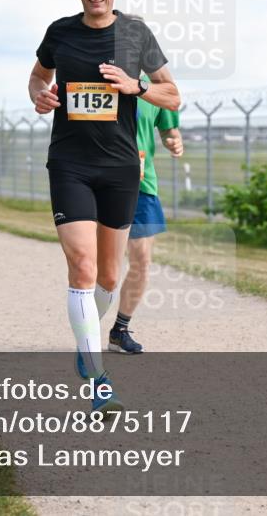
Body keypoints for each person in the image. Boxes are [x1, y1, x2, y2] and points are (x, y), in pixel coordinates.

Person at [28, 0, 180, 413]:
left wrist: (135, 88)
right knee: (82, 265)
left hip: (119, 168)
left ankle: (86, 338)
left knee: (110, 276)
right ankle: (97, 377)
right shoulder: (60, 32)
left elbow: (172, 93)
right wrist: (41, 95)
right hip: (70, 162)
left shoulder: (136, 33)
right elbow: (39, 77)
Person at [105, 82, 183, 353]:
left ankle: (120, 329)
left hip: (142, 184)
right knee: (104, 266)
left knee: (141, 261)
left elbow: (168, 128)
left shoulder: (154, 88)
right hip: (101, 183)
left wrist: (174, 140)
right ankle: (87, 326)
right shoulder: (101, 79)